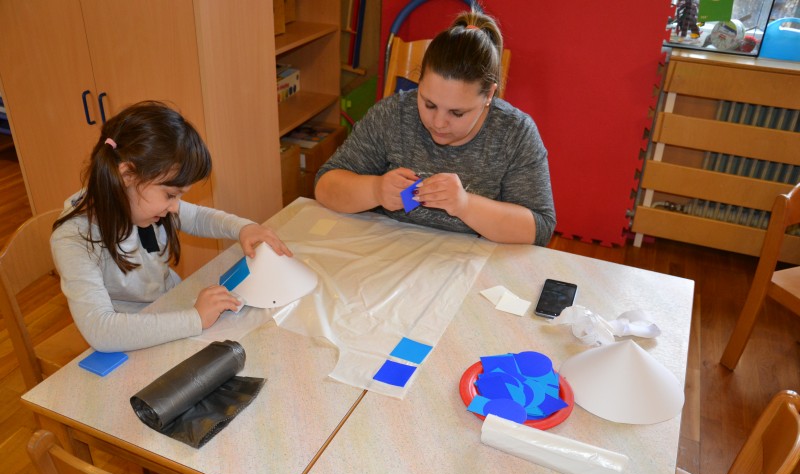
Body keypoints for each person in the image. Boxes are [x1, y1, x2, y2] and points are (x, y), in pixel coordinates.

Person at [51, 101, 291, 352]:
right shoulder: (74, 239)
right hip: (134, 335)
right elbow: (102, 331)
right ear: (127, 175)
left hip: (170, 307)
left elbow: (198, 218)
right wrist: (194, 319)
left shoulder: (138, 199)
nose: (175, 207)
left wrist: (242, 228)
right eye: (170, 195)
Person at [314, 10, 555, 246]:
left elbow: (540, 228)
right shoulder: (393, 114)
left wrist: (465, 205)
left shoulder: (515, 133)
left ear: (489, 95)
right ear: (419, 82)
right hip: (390, 252)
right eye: (429, 104)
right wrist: (375, 190)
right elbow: (325, 185)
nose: (438, 123)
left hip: (471, 261)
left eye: (457, 113)